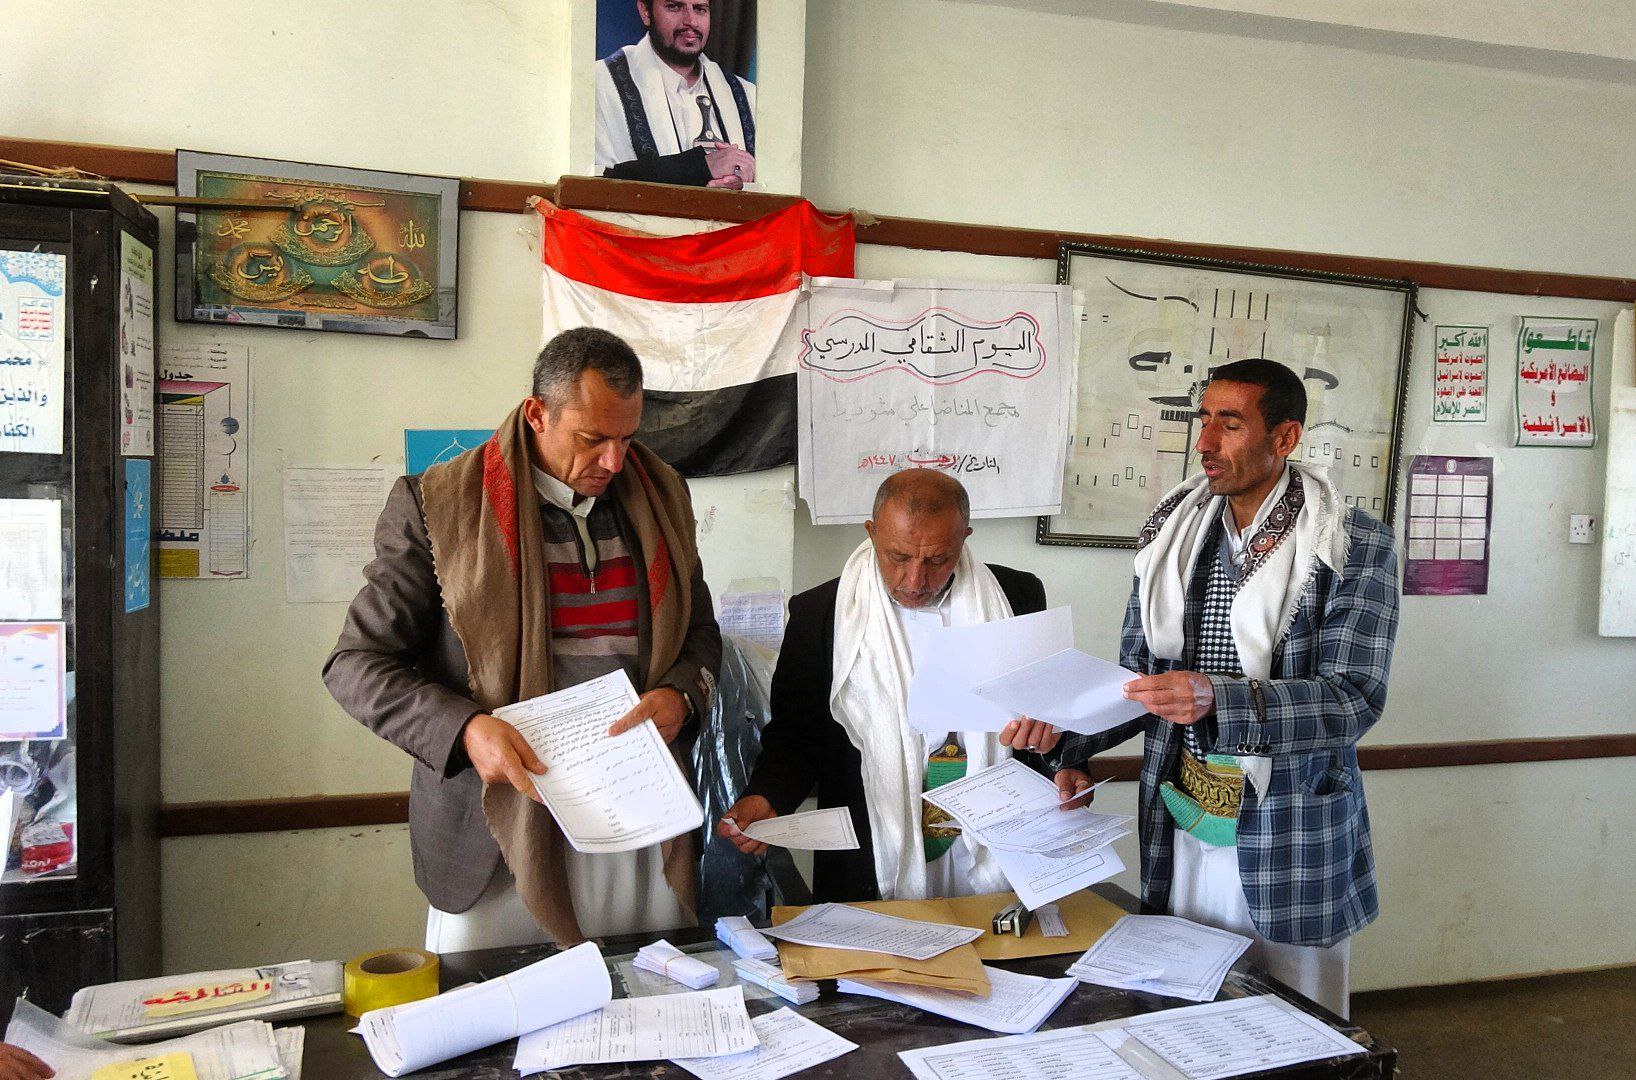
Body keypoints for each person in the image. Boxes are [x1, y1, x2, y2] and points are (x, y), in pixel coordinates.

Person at [323, 327, 722, 952]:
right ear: (538, 414)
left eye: (627, 438)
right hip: (499, 834)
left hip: (638, 822)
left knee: (645, 997)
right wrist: (465, 731)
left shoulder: (663, 497)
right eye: (592, 439)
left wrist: (682, 697)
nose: (615, 462)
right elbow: (356, 664)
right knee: (497, 1008)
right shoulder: (434, 506)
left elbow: (700, 635)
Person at [1051, 358, 1401, 1018]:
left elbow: (1354, 697)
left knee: (1295, 1020)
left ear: (1285, 437)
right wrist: (1068, 746)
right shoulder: (1173, 535)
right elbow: (1141, 680)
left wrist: (1219, 698)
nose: (1205, 442)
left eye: (1231, 424)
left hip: (1290, 824)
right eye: (1203, 420)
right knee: (1186, 1002)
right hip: (1185, 812)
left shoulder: (1350, 544)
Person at [718, 470, 1062, 901]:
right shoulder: (821, 613)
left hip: (989, 843)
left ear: (965, 538)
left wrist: (1058, 750)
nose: (915, 580)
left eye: (937, 560)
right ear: (872, 532)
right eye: (898, 556)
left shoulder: (1017, 596)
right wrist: (768, 796)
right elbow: (796, 737)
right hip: (874, 847)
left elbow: (1047, 710)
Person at [595, 0, 758, 188]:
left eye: (700, 9)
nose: (691, 21)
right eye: (674, 7)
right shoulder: (600, 84)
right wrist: (700, 168)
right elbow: (593, 184)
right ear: (645, 11)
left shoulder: (747, 95)